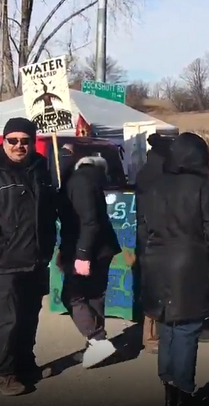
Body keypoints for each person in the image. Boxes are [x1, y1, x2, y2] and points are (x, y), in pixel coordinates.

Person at [0, 118, 58, 396]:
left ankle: (25, 365)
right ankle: (4, 373)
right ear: (4, 141)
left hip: (36, 257)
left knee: (29, 317)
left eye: (25, 141)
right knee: (8, 321)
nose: (19, 145)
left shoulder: (40, 167)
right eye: (13, 140)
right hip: (5, 261)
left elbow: (49, 208)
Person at [137, 132, 209, 406]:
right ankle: (184, 390)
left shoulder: (153, 186)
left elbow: (143, 229)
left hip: (156, 262)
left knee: (167, 327)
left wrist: (146, 260)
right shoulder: (201, 187)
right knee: (187, 330)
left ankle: (169, 389)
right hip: (190, 264)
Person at [57, 153, 122, 368]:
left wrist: (82, 254)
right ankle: (96, 345)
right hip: (100, 248)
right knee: (94, 295)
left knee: (72, 296)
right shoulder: (91, 179)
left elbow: (89, 221)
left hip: (87, 249)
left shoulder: (80, 181)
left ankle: (97, 339)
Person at [136, 133, 173, 354]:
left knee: (151, 284)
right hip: (157, 235)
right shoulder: (161, 173)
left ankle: (150, 334)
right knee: (158, 285)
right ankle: (152, 336)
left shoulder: (146, 171)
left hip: (145, 234)